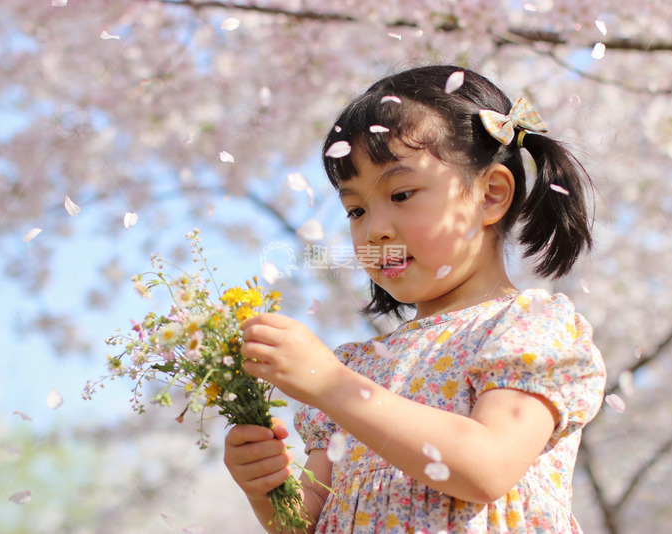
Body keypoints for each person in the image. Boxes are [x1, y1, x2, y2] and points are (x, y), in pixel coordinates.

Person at [224, 65, 607, 533]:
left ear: (491, 195)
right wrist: (266, 490)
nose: (374, 229)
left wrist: (331, 385)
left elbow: (485, 468)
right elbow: (305, 523)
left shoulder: (529, 328)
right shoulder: (359, 365)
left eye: (401, 193)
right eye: (356, 210)